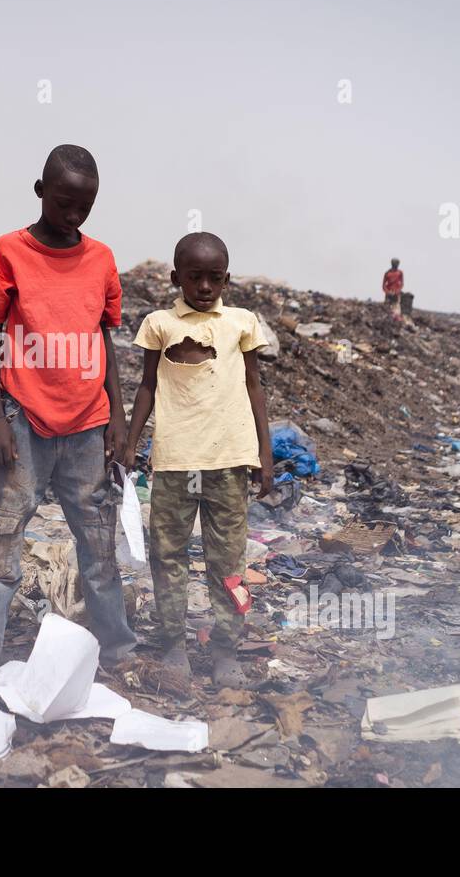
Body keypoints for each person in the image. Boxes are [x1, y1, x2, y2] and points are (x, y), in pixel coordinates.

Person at [0, 144, 136, 701]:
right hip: (23, 419)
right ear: (40, 191)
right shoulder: (9, 251)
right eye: (64, 200)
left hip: (88, 423)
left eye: (86, 204)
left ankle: (118, 647)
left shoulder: (100, 258)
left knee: (98, 546)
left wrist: (116, 419)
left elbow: (104, 337)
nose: (74, 213)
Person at [122, 232, 274, 688]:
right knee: (168, 557)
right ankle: (173, 644)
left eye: (214, 278)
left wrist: (263, 453)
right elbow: (147, 385)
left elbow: (254, 386)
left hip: (229, 461)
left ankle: (226, 648)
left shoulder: (242, 322)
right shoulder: (158, 323)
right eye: (194, 277)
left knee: (228, 560)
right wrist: (131, 443)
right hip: (174, 463)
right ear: (176, 277)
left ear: (227, 278)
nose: (205, 287)